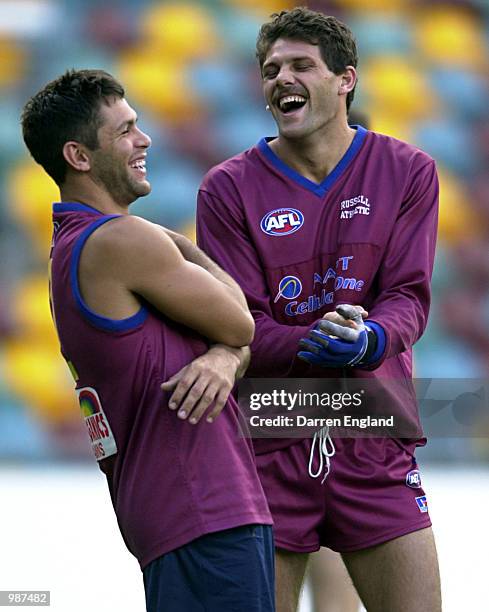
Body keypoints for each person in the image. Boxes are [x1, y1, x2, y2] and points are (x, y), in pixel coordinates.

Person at [196, 8, 441, 612]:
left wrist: (371, 341)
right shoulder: (226, 189)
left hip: (372, 427)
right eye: (271, 69)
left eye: (301, 65)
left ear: (344, 80)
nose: (282, 78)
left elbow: (407, 297)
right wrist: (309, 340)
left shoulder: (408, 170)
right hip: (270, 436)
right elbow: (237, 322)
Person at [21, 69, 275, 612]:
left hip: (179, 518)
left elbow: (236, 338)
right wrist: (177, 243)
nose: (145, 139)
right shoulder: (124, 241)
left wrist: (225, 359)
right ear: (79, 156)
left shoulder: (78, 247)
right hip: (204, 515)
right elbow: (243, 323)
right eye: (125, 130)